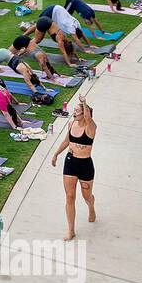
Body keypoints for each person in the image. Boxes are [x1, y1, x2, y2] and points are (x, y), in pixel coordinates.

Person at [50, 96, 96, 241]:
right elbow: (66, 141)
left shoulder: (90, 128)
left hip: (85, 165)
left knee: (86, 196)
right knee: (70, 197)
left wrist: (84, 103)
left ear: (85, 114)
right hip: (70, 163)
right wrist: (56, 154)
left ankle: (91, 207)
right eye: (74, 111)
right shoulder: (71, 124)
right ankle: (71, 230)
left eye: (77, 111)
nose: (74, 113)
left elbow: (88, 119)